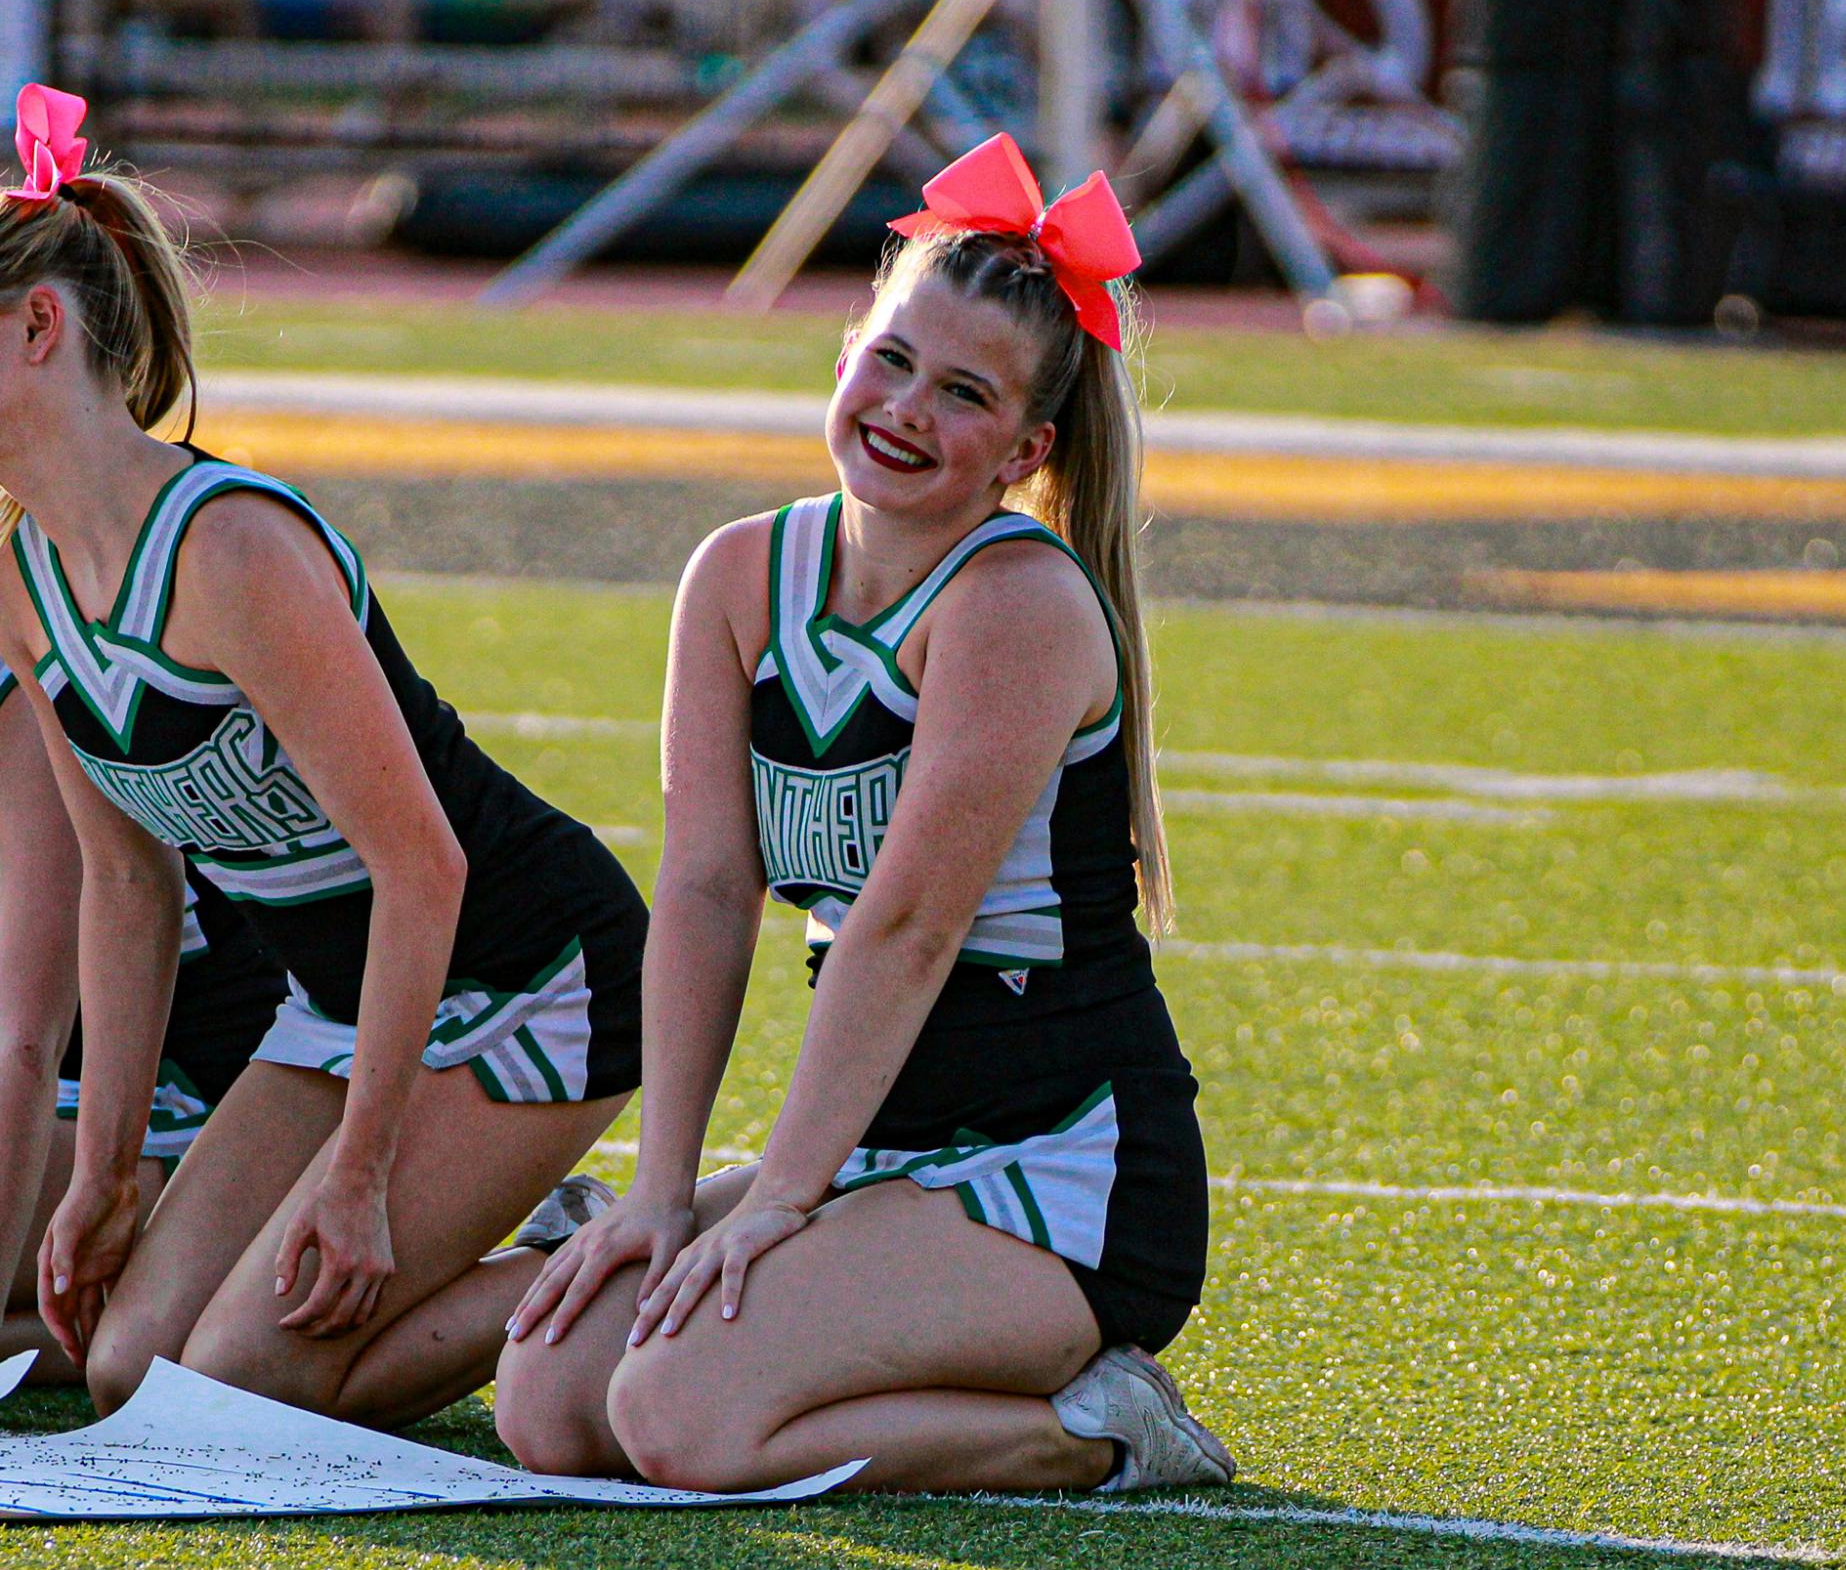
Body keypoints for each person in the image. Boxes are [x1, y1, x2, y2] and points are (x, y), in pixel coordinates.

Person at [499, 134, 1232, 1495]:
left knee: (681, 1419)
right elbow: (712, 892)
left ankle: (1098, 1423)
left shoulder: (1012, 600)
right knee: (549, 1399)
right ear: (842, 353)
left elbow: (904, 923)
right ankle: (818, 1278)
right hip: (885, 1149)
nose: (905, 408)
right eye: (892, 358)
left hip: (1056, 1168)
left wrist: (774, 1199)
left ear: (1025, 450)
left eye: (963, 395)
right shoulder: (736, 573)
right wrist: (662, 1189)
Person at [0, 85, 648, 1425]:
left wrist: (358, 1173)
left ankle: (631, 1243)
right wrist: (104, 1171)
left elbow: (424, 865)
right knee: (133, 1369)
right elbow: (126, 885)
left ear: (38, 327)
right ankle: (516, 1233)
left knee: (237, 1383)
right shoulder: (23, 570)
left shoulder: (229, 546)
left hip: (530, 968)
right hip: (340, 1003)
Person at [0, 660, 285, 1383]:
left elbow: (24, 1040)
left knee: (189, 1359)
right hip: (68, 1081)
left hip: (172, 1080)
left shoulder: (22, 665)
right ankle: (135, 1318)